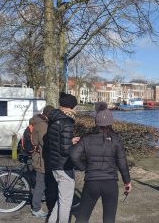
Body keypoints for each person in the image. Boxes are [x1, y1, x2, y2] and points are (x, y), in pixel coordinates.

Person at [70, 104, 131, 223]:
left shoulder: (87, 138)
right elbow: (122, 162)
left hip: (92, 182)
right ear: (111, 122)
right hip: (110, 183)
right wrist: (127, 181)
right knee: (109, 219)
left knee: (82, 217)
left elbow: (73, 155)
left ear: (96, 122)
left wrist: (84, 167)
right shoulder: (115, 139)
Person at [43, 93, 79, 223]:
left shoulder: (53, 119)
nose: (76, 109)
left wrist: (70, 140)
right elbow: (65, 150)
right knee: (66, 203)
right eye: (75, 107)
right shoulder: (67, 121)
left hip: (54, 164)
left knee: (62, 198)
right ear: (70, 107)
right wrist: (73, 144)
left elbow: (53, 142)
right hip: (64, 166)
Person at [28, 105, 54, 218]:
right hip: (41, 160)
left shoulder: (38, 122)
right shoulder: (43, 125)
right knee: (40, 185)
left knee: (42, 184)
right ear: (49, 114)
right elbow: (45, 143)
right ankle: (36, 209)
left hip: (39, 158)